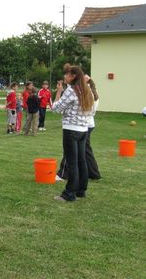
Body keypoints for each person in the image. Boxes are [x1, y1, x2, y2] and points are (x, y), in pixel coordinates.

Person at [52, 65, 94, 202]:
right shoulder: (86, 89)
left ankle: (69, 193)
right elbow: (91, 111)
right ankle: (81, 190)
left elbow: (56, 108)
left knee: (72, 162)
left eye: (67, 74)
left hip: (71, 130)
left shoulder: (70, 90)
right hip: (83, 130)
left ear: (73, 76)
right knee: (81, 161)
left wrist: (58, 92)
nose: (65, 76)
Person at [57, 75, 101, 180]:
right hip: (87, 124)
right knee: (85, 150)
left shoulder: (84, 92)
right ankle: (94, 173)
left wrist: (59, 92)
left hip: (79, 125)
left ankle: (63, 174)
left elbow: (59, 108)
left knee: (71, 150)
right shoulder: (91, 93)